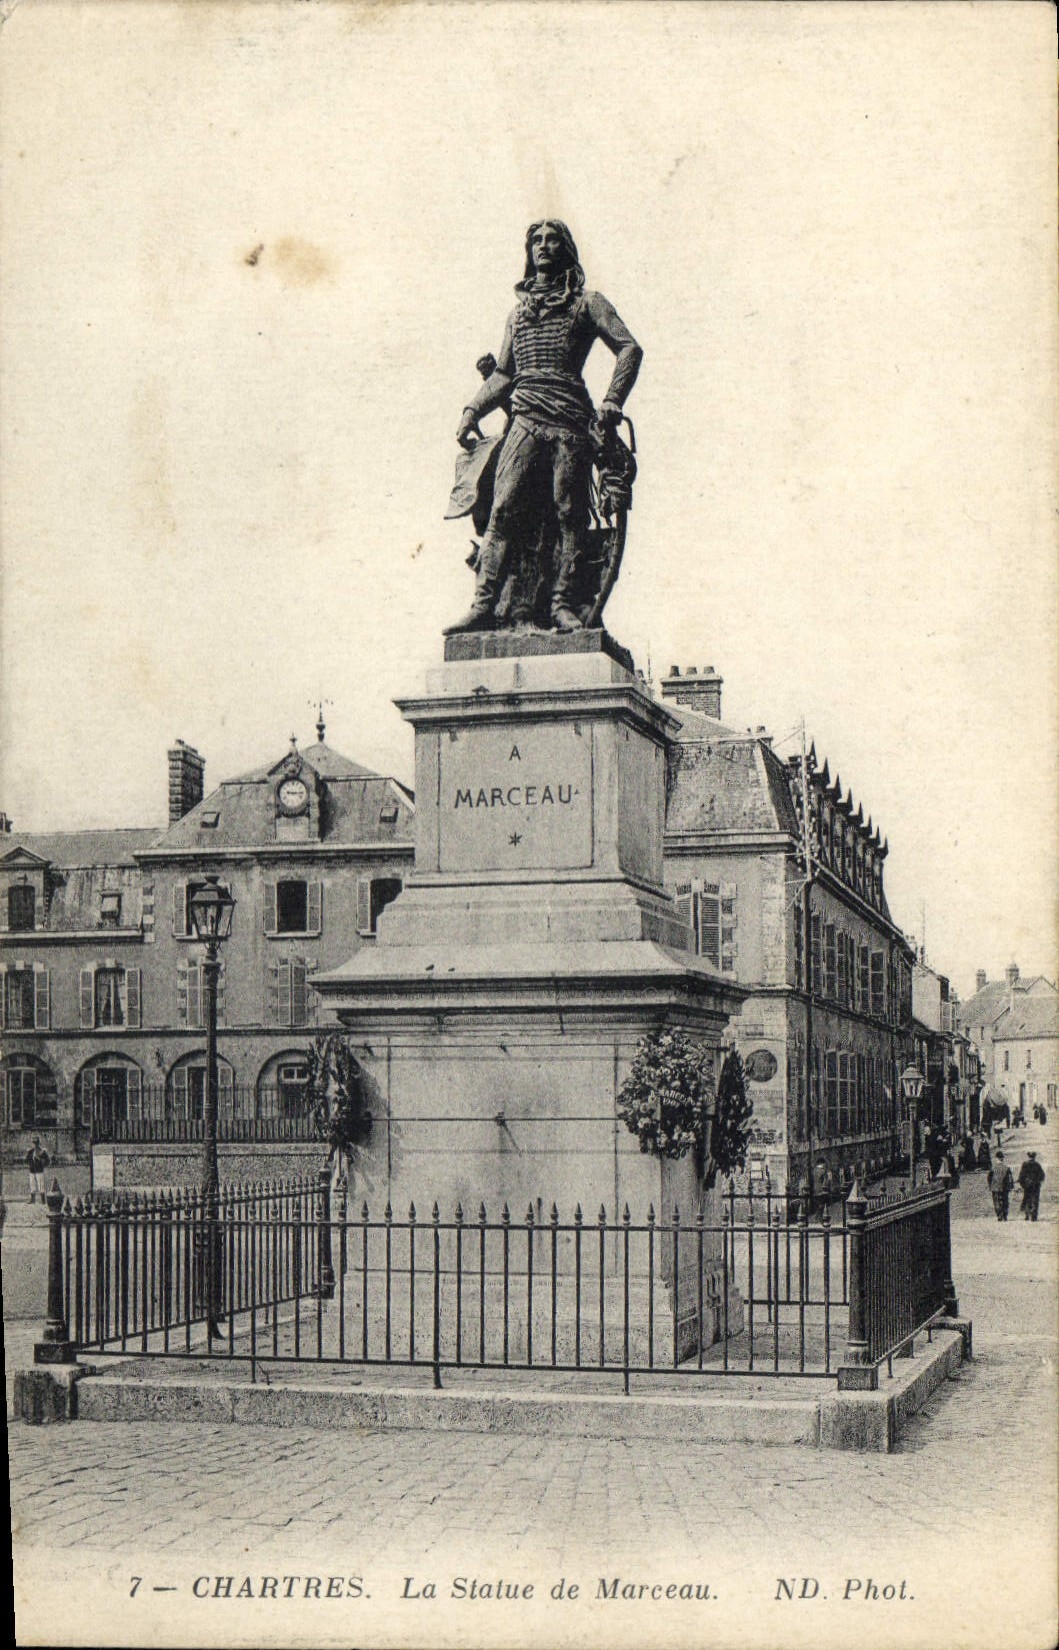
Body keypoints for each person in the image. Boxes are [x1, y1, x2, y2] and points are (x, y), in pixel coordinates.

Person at [446, 220, 642, 634]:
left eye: (553, 240)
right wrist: (471, 410)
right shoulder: (517, 315)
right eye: (536, 240)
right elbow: (502, 375)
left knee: (570, 514)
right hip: (525, 419)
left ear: (566, 249)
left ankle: (561, 605)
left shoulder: (587, 303)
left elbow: (628, 348)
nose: (543, 246)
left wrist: (612, 400)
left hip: (571, 422)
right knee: (502, 508)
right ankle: (484, 604)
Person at [1017, 1150, 1045, 1221]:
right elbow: (1042, 1175)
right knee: (1035, 1200)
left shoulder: (1025, 1164)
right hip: (1035, 1186)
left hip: (1027, 1186)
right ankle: (1034, 1216)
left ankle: (1027, 1215)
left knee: (1027, 1199)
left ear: (1028, 1156)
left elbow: (1021, 1176)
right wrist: (1038, 1182)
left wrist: (1023, 1184)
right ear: (1034, 1157)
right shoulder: (1037, 1164)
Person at [988, 1151, 1014, 1221]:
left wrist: (990, 1186)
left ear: (996, 1158)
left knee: (996, 1201)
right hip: (1004, 1187)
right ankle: (1005, 1215)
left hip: (995, 1187)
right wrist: (1011, 1186)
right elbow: (1010, 1178)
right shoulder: (1006, 1168)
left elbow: (989, 1178)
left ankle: (999, 1214)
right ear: (1003, 1159)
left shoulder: (993, 1168)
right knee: (1005, 1200)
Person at [25, 1136, 49, 1204]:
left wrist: (41, 1161)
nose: (35, 1144)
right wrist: (29, 1162)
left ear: (38, 1143)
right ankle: (32, 1200)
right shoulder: (30, 1151)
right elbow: (26, 1160)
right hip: (32, 1170)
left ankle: (43, 1200)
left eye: (36, 1143)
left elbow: (48, 1161)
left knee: (41, 1185)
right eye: (33, 1143)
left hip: (39, 1170)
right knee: (32, 1184)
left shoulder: (42, 1151)